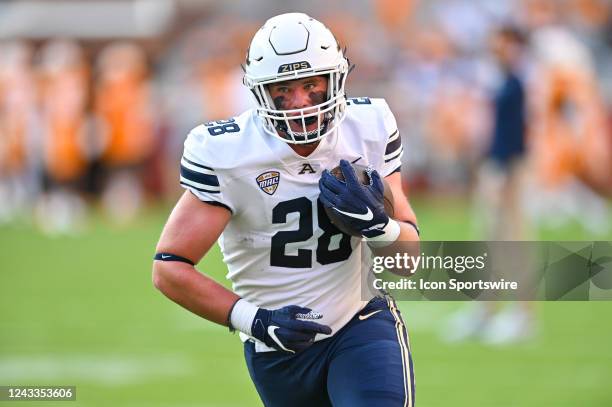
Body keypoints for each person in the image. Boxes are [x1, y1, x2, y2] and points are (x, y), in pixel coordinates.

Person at [153, 13, 419, 406]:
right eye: (283, 89)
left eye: (311, 85)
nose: (298, 103)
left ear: (334, 80)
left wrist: (378, 227)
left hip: (360, 324)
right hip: (278, 345)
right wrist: (255, 320)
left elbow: (410, 260)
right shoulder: (228, 154)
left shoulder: (367, 127)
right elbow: (169, 267)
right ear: (261, 91)